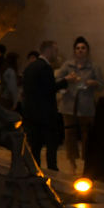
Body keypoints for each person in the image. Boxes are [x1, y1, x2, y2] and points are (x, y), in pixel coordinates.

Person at [55, 36, 104, 174]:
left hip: (86, 104)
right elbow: (56, 80)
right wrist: (67, 79)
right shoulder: (67, 65)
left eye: (83, 48)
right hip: (69, 104)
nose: (80, 50)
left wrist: (94, 83)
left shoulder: (94, 67)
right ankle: (72, 162)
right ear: (74, 51)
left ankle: (87, 162)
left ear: (87, 50)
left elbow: (102, 85)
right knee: (69, 134)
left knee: (87, 135)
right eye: (77, 48)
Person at [22, 40, 64, 171]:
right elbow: (49, 89)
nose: (56, 54)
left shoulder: (30, 67)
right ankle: (52, 169)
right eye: (55, 50)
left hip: (31, 112)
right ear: (49, 50)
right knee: (51, 143)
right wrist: (65, 82)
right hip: (46, 113)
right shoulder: (45, 67)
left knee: (36, 145)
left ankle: (35, 170)